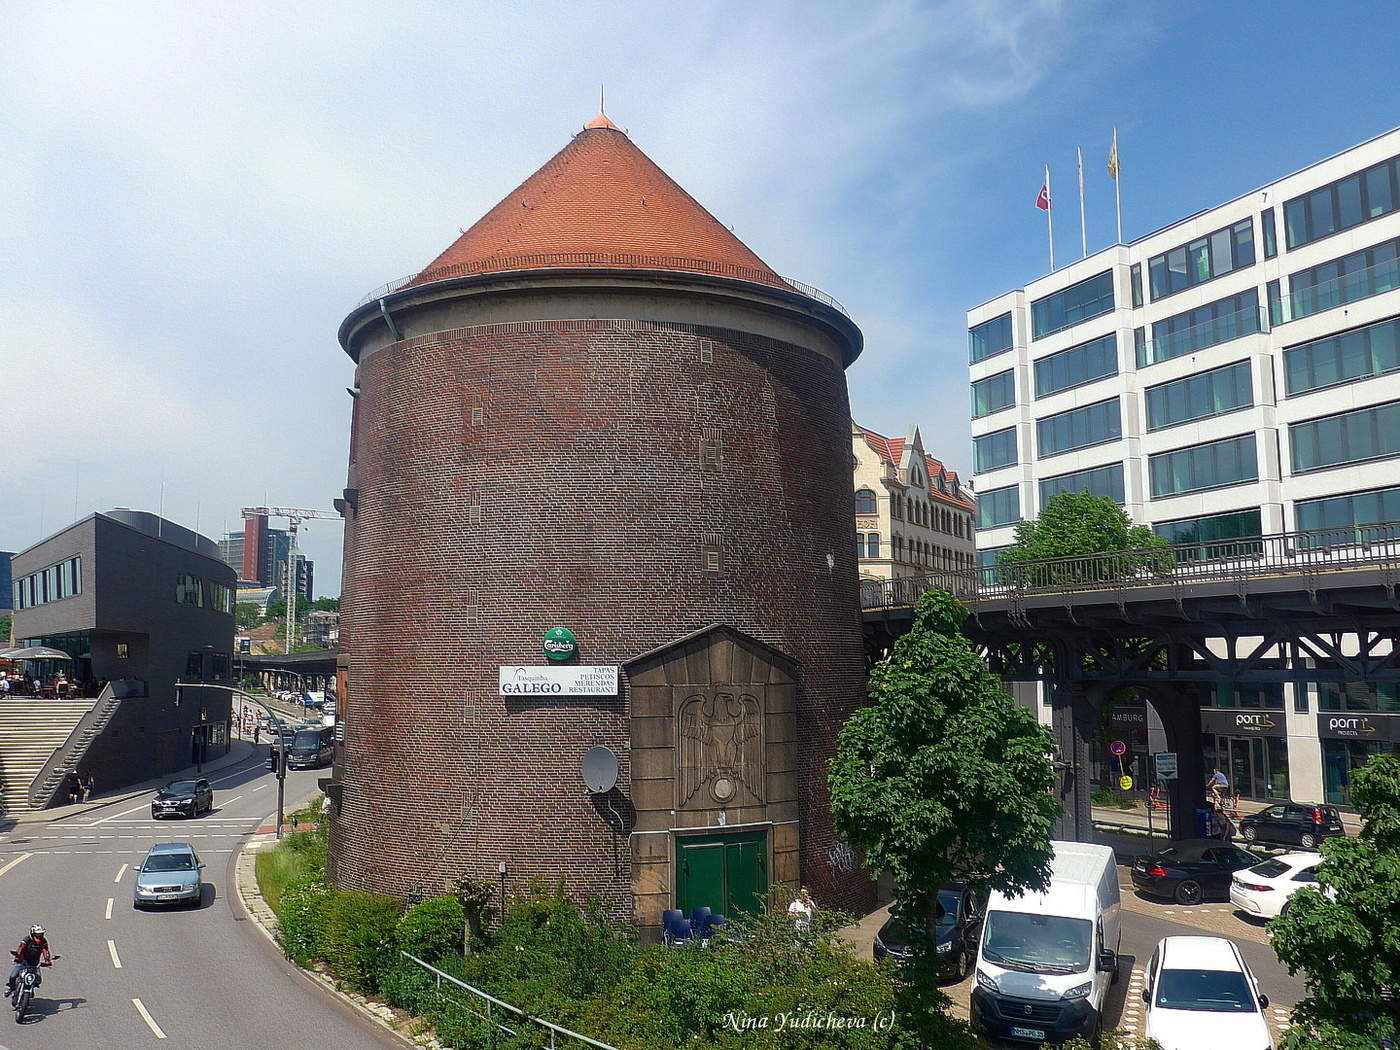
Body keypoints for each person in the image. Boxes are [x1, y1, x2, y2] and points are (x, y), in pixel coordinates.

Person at [6, 926, 52, 995]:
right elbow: (21, 948)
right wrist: (18, 957)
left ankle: (31, 987)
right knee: (13, 976)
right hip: (23, 962)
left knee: (38, 980)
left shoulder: (43, 941)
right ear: (32, 934)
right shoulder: (27, 940)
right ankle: (12, 988)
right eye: (37, 935)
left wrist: (47, 960)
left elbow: (45, 950)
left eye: (41, 934)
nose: (39, 936)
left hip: (35, 964)